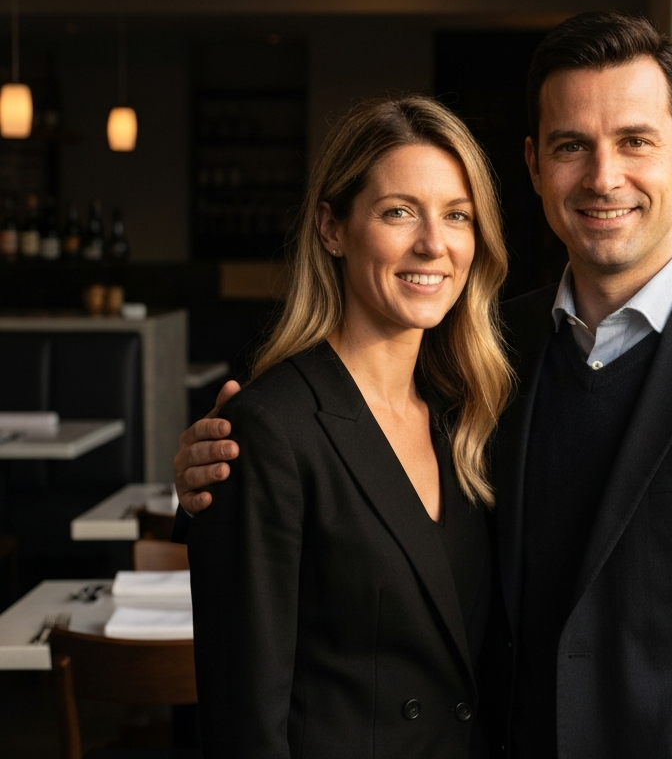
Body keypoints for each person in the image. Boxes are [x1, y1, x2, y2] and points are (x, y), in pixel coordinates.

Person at [176, 13, 672, 759]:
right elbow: (344, 468)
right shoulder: (484, 355)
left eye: (635, 141)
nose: (603, 177)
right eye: (571, 146)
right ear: (533, 165)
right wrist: (216, 481)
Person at [185, 96, 513, 758]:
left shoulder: (470, 415)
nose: (434, 244)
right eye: (399, 212)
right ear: (332, 228)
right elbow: (245, 725)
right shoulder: (268, 429)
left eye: (457, 215)